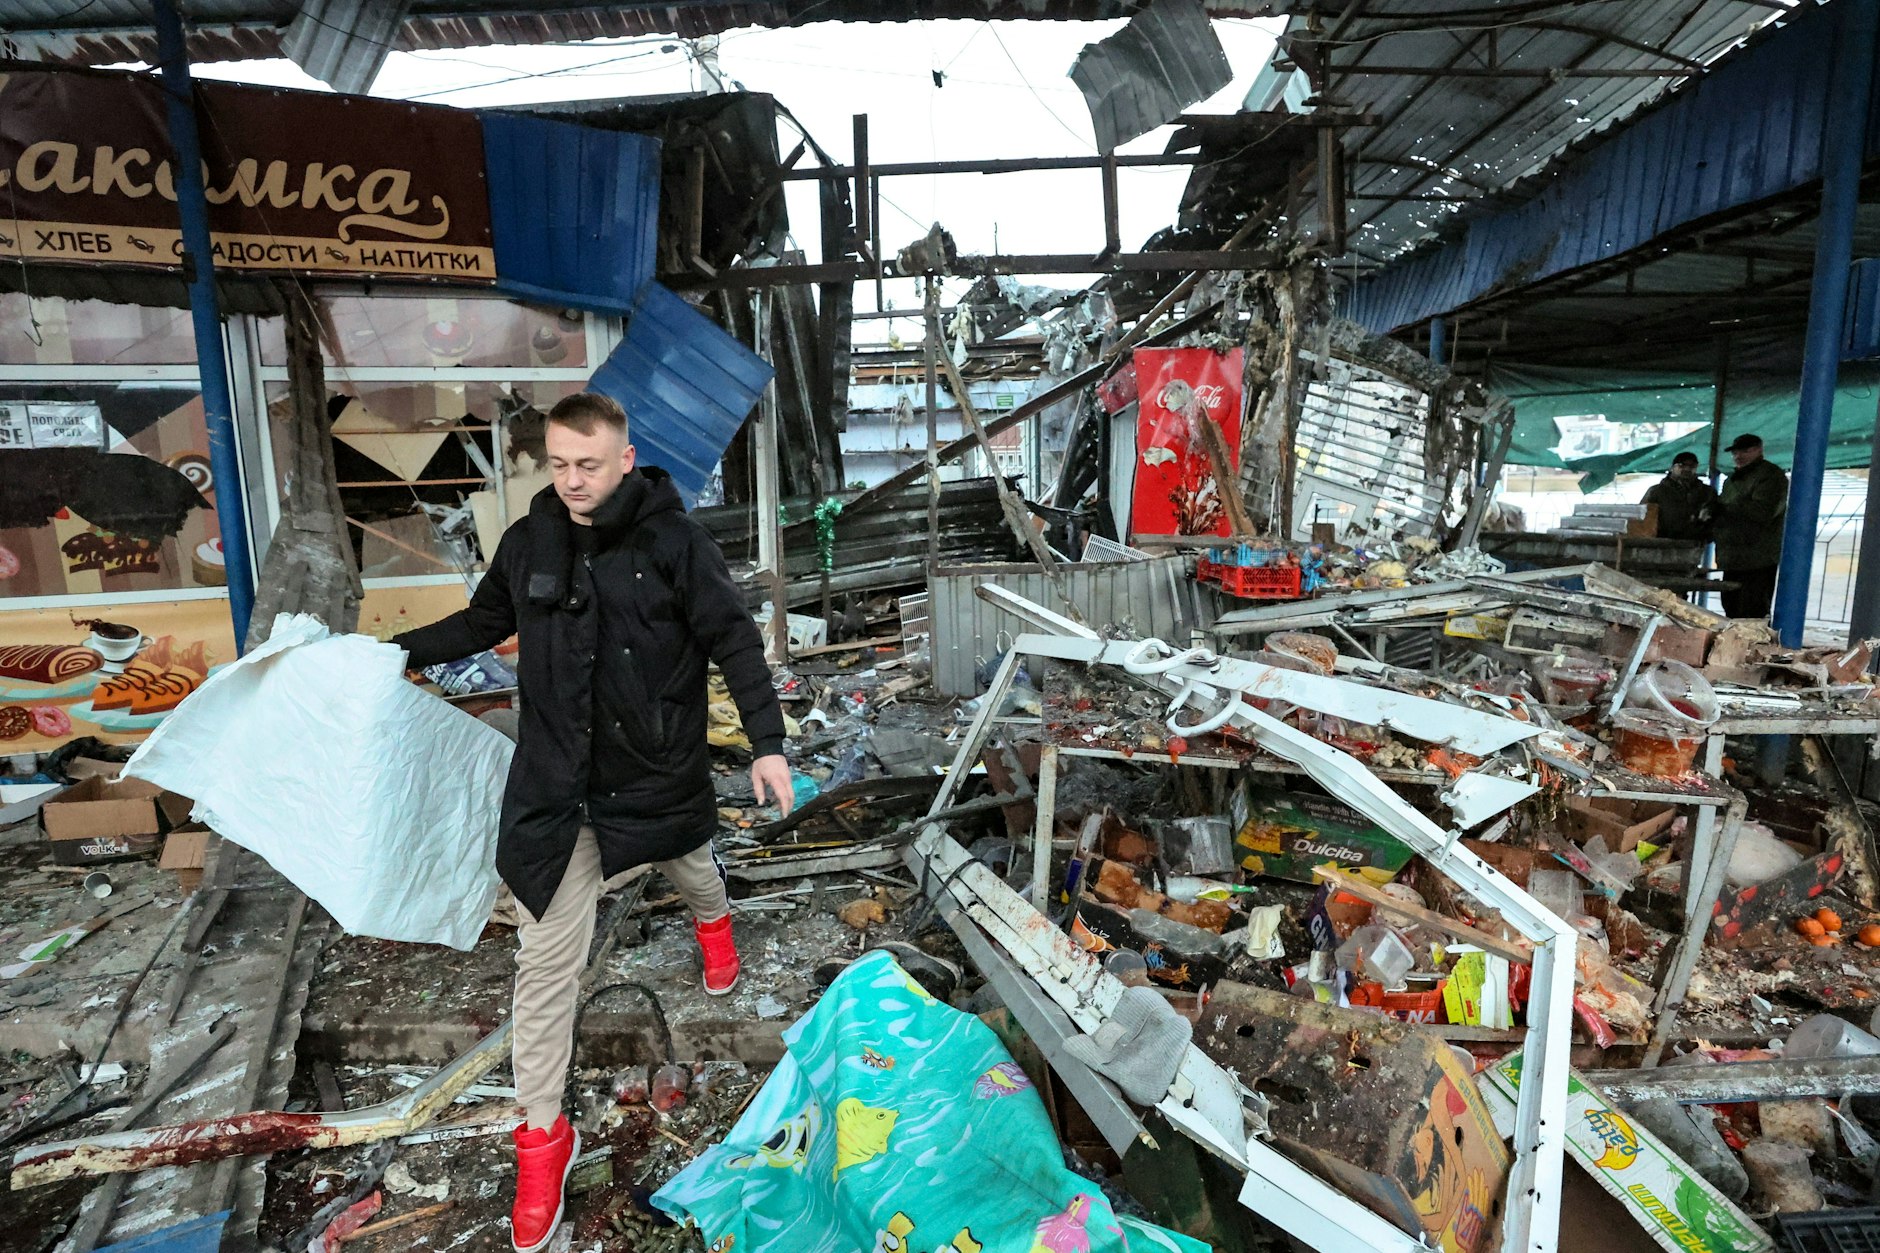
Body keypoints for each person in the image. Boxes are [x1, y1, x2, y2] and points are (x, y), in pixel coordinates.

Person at [392, 392, 791, 1252]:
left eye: (589, 465)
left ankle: (714, 921)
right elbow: (482, 621)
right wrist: (393, 652)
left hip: (652, 772)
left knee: (692, 864)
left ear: (625, 459)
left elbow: (734, 638)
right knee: (543, 963)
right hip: (558, 790)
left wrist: (768, 743)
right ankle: (544, 1137)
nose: (572, 480)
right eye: (559, 464)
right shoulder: (529, 540)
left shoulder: (675, 542)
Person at [1711, 433, 1789, 620]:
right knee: (1732, 607)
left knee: (1752, 611)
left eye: (1745, 451)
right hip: (1733, 556)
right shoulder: (1733, 479)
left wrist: (1724, 508)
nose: (1738, 456)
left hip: (1758, 557)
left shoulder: (1770, 476)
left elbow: (1762, 512)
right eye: (1735, 452)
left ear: (1759, 450)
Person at [1640, 451, 1716, 543]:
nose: (1687, 469)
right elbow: (1642, 518)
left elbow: (1714, 519)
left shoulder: (1707, 492)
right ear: (1672, 467)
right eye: (1682, 465)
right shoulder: (1656, 491)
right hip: (1661, 543)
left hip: (1695, 543)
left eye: (1692, 466)